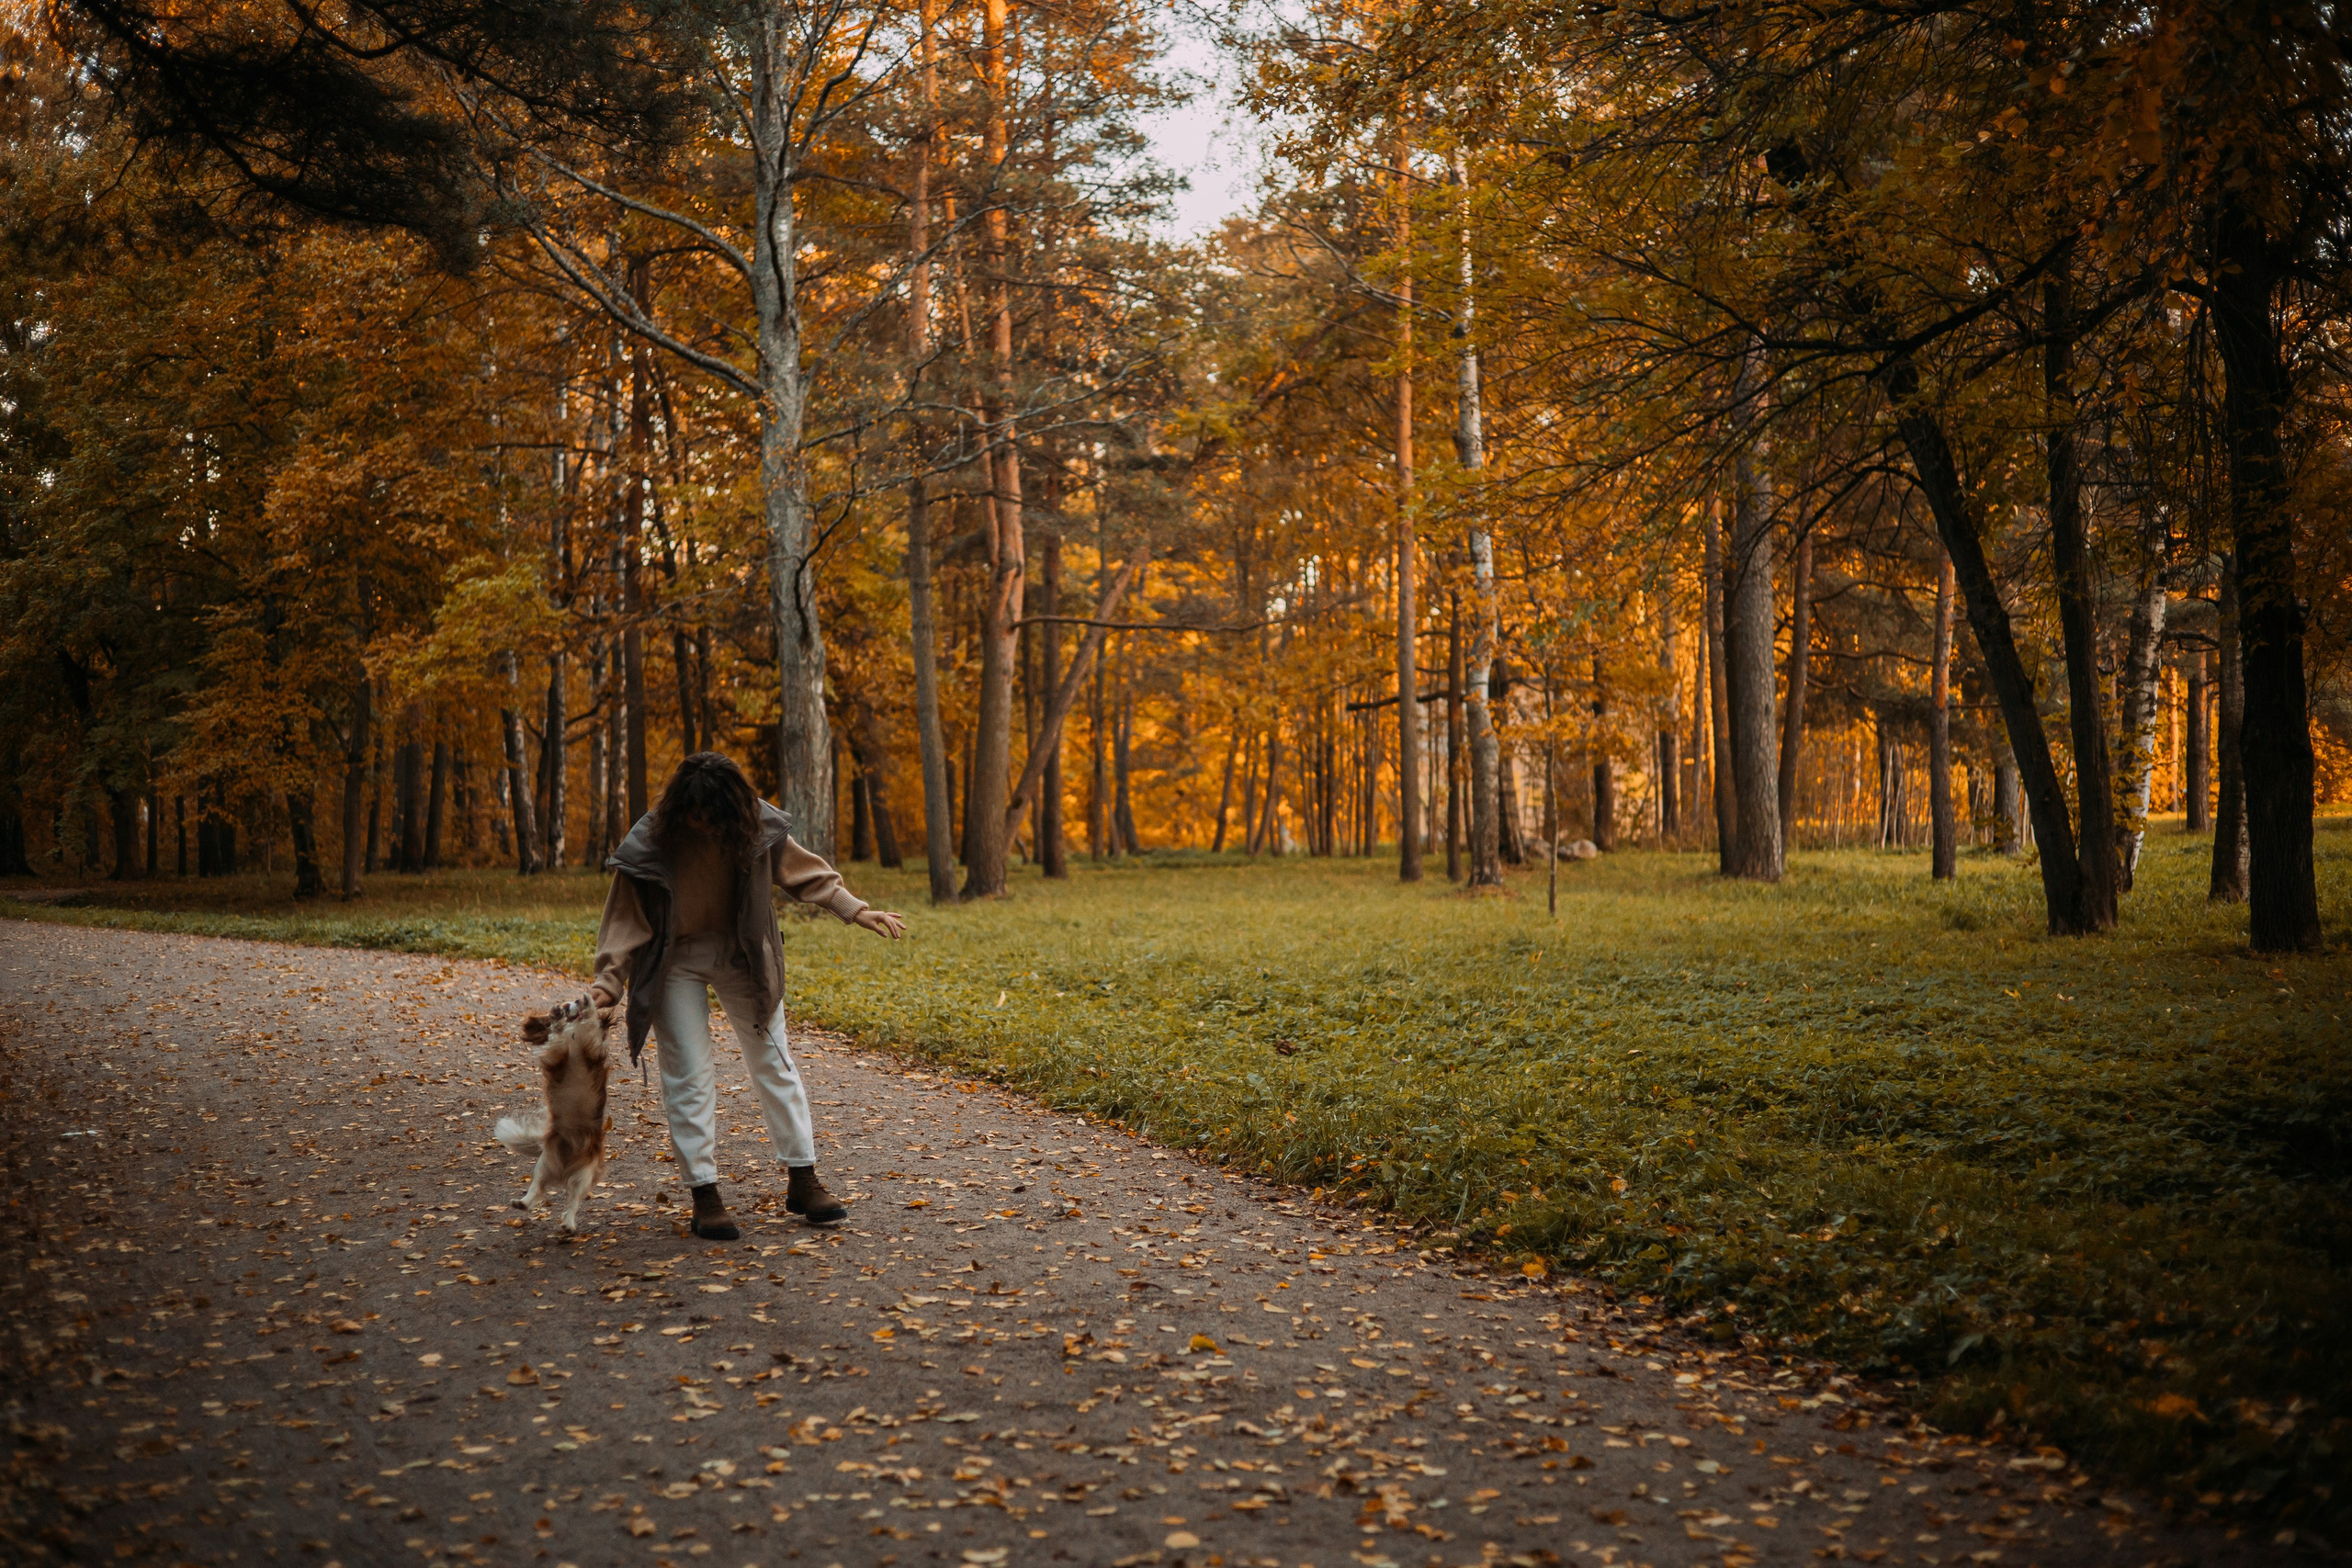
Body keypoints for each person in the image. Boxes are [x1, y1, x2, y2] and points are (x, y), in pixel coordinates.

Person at [589, 752, 905, 1240]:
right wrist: (607, 983)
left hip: (743, 957)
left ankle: (803, 1179)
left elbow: (804, 872)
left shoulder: (754, 826)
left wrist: (855, 909)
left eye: (715, 817)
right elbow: (624, 919)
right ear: (682, 809)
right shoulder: (652, 841)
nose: (706, 826)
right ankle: (705, 1195)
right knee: (690, 1075)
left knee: (775, 1062)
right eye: (697, 816)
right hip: (676, 963)